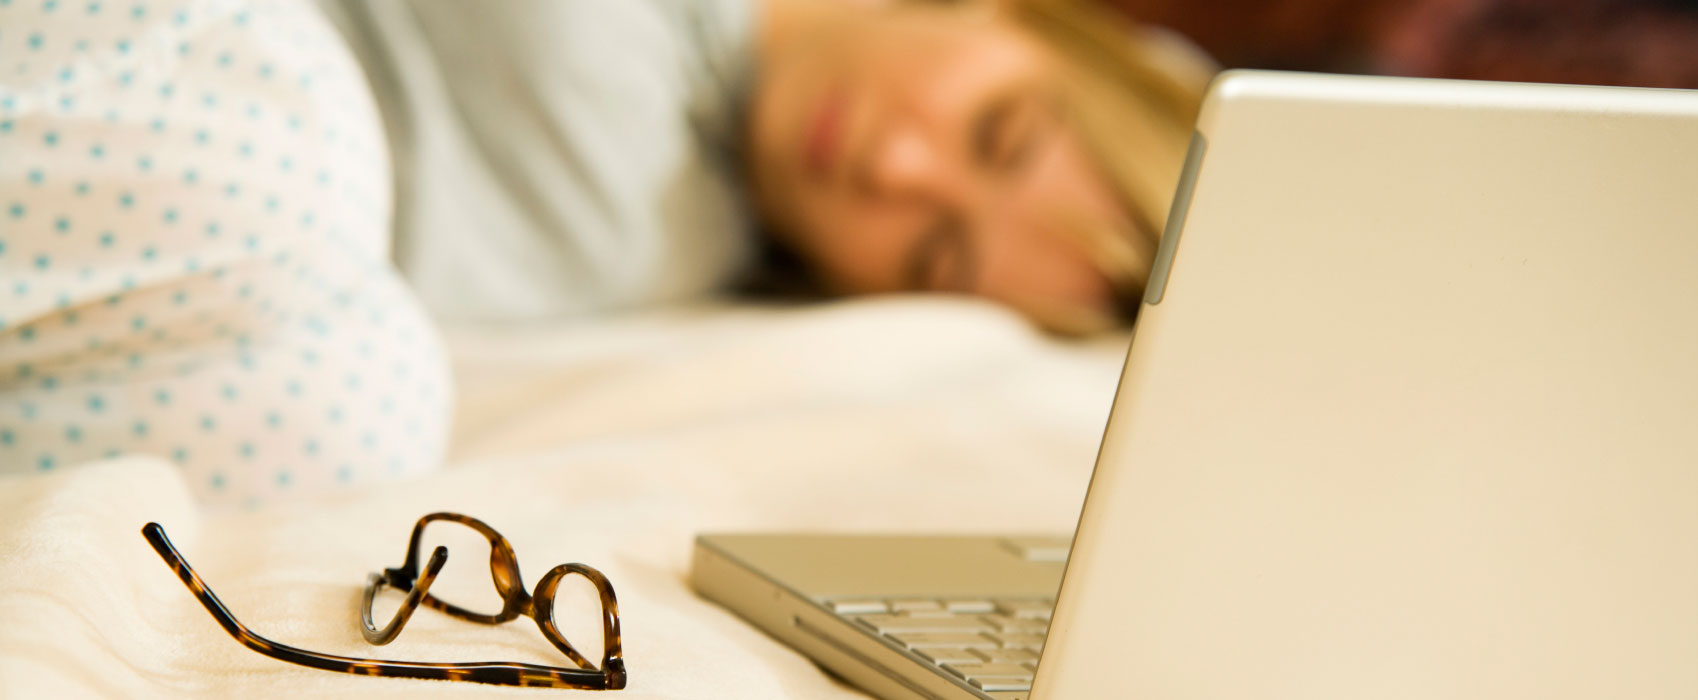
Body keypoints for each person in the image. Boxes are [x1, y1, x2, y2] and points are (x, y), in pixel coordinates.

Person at [320, 0, 1214, 334]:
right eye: (996, 131)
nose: (895, 168)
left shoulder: (620, 213)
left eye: (933, 256)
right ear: (1018, 19)